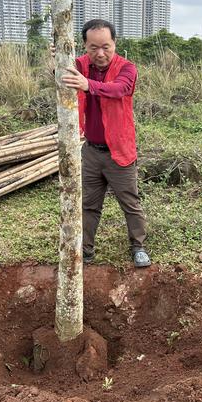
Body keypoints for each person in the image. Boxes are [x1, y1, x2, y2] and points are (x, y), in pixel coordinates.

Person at [61, 19, 151, 268]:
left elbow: (118, 89)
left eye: (106, 47)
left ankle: (138, 246)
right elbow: (60, 73)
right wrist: (57, 57)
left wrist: (88, 85)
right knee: (89, 204)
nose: (99, 54)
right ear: (84, 46)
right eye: (93, 47)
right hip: (91, 150)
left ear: (115, 44)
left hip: (119, 151)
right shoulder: (79, 65)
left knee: (130, 202)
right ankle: (86, 250)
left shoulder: (127, 68)